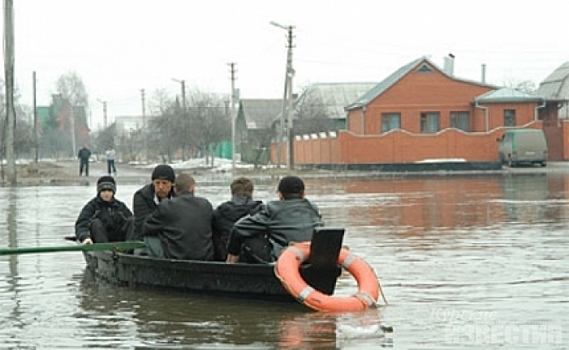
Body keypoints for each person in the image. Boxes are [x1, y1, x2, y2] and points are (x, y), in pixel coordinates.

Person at [226, 175, 324, 264]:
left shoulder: (273, 208)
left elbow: (239, 227)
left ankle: (237, 267)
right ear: (303, 194)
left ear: (280, 195)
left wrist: (233, 254)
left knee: (250, 234)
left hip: (287, 260)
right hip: (315, 258)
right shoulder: (313, 209)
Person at [141, 173, 214, 260]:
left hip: (176, 257)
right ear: (193, 188)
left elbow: (146, 227)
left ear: (175, 189)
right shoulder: (206, 205)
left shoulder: (167, 206)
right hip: (204, 257)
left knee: (149, 238)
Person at [211, 177, 263, 261]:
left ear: (232, 193)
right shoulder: (261, 212)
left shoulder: (219, 213)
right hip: (254, 261)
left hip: (224, 260)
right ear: (252, 192)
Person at [75, 176, 134, 244]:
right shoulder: (92, 206)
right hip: (100, 240)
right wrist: (85, 237)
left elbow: (132, 224)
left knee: (132, 220)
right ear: (99, 192)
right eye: (103, 191)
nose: (106, 193)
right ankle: (105, 250)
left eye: (109, 191)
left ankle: (129, 247)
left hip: (120, 239)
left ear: (113, 192)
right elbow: (82, 224)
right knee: (96, 223)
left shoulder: (120, 206)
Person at [132, 164, 176, 241]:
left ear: (172, 184)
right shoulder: (142, 196)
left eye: (164, 183)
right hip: (146, 239)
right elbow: (143, 225)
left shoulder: (178, 196)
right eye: (157, 183)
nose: (160, 187)